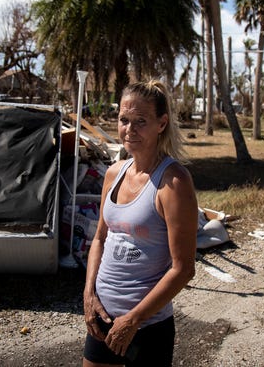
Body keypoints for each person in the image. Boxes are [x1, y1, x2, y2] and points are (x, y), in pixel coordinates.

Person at [83, 80, 198, 366]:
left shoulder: (173, 182)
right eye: (124, 120)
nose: (129, 130)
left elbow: (183, 269)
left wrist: (133, 319)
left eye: (140, 121)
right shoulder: (113, 173)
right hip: (102, 318)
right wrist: (88, 294)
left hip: (147, 327)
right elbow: (100, 238)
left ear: (162, 124)